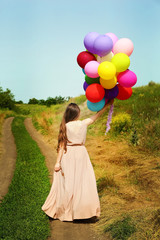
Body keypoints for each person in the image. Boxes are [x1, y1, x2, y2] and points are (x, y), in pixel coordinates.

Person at [41, 100, 113, 221]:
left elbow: (61, 146)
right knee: (83, 183)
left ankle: (65, 211)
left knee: (68, 183)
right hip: (81, 154)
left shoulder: (65, 126)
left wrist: (58, 162)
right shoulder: (82, 123)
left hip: (68, 154)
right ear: (77, 114)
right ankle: (82, 213)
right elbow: (97, 115)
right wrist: (107, 104)